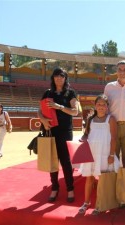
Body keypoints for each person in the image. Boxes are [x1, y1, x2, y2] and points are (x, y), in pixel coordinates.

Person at [38, 68, 79, 203]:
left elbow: (75, 112)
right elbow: (39, 111)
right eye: (56, 76)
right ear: (53, 78)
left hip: (65, 131)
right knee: (52, 160)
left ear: (65, 78)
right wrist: (43, 120)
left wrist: (59, 106)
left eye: (62, 76)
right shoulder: (48, 93)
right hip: (50, 130)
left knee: (66, 161)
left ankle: (70, 188)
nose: (59, 78)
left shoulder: (70, 93)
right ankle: (54, 188)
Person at [78, 94, 119, 215]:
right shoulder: (90, 119)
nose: (101, 107)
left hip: (105, 153)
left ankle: (100, 204)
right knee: (89, 178)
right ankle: (86, 202)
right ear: (95, 106)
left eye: (103, 105)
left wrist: (111, 155)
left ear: (107, 107)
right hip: (92, 152)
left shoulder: (111, 119)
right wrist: (83, 139)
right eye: (99, 104)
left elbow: (114, 138)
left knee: (102, 179)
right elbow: (86, 134)